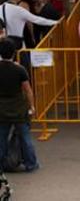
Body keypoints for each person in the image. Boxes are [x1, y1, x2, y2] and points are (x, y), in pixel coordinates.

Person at [0, 38, 37, 173]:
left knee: (1, 139)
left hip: (2, 110)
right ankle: (31, 164)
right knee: (25, 137)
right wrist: (32, 107)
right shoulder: (19, 69)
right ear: (14, 53)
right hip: (19, 109)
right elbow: (28, 90)